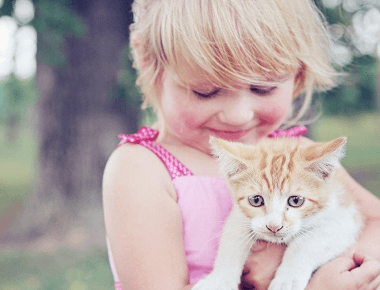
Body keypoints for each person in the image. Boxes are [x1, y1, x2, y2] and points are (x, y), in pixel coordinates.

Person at [102, 0, 380, 289]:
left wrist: (331, 265)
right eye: (205, 92)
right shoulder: (141, 169)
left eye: (263, 88)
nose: (237, 116)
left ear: (297, 73)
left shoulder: (296, 152)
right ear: (150, 65)